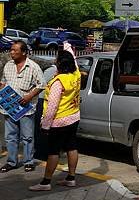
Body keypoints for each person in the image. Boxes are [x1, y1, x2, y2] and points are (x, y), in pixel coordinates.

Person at [29, 43, 81, 191]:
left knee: (53, 151)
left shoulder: (58, 82)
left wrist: (45, 126)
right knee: (72, 147)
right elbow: (75, 61)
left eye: (56, 60)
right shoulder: (75, 75)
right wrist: (67, 46)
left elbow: (52, 107)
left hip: (59, 121)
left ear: (59, 64)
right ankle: (71, 178)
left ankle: (46, 182)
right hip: (73, 117)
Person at [0, 40, 45, 173]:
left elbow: (41, 85)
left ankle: (28, 162)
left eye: (15, 50)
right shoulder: (8, 65)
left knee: (27, 136)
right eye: (11, 50)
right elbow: (3, 81)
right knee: (10, 136)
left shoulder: (33, 67)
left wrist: (29, 96)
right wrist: (2, 90)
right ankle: (11, 162)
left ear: (24, 52)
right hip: (9, 107)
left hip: (26, 108)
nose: (11, 53)